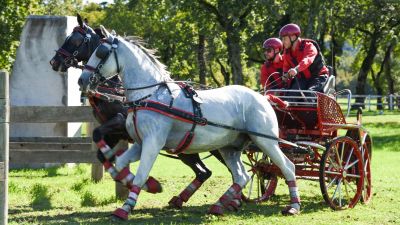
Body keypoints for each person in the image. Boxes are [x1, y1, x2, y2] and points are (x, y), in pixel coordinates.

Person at [280, 23, 329, 92]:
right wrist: (285, 75)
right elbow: (286, 66)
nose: (283, 42)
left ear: (293, 37)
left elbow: (308, 60)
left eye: (284, 39)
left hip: (318, 77)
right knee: (291, 94)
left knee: (309, 94)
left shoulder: (309, 46)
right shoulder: (287, 52)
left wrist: (296, 69)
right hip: (303, 79)